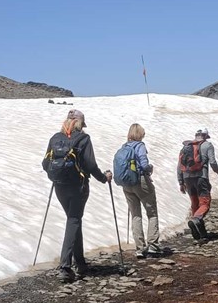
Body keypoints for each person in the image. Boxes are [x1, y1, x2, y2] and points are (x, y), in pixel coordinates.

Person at [42, 109, 112, 282]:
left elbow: (45, 163)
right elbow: (90, 164)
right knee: (74, 220)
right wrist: (104, 178)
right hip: (78, 187)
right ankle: (65, 266)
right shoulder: (83, 138)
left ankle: (80, 262)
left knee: (74, 220)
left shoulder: (55, 138)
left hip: (59, 187)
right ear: (81, 123)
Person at [119, 123, 160, 258]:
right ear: (140, 134)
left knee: (135, 214)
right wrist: (150, 168)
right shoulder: (140, 146)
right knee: (151, 212)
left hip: (127, 183)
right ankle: (153, 245)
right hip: (140, 181)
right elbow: (143, 164)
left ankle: (139, 248)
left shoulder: (124, 147)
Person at [178, 127, 218, 241]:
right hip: (201, 178)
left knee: (195, 203)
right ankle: (195, 220)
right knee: (204, 203)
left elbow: (179, 166)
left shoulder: (186, 146)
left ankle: (201, 234)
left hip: (187, 179)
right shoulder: (207, 145)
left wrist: (181, 182)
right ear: (206, 136)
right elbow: (212, 162)